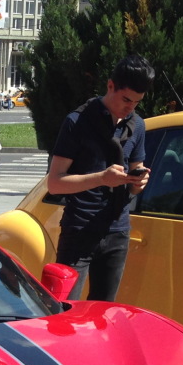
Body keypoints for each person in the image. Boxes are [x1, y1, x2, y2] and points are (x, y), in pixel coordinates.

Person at [46, 55, 154, 302]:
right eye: (126, 99)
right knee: (66, 311)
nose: (130, 108)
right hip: (80, 230)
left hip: (117, 230)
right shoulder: (78, 121)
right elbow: (55, 183)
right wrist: (101, 178)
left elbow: (135, 177)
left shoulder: (137, 126)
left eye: (137, 102)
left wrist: (139, 182)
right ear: (110, 86)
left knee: (103, 313)